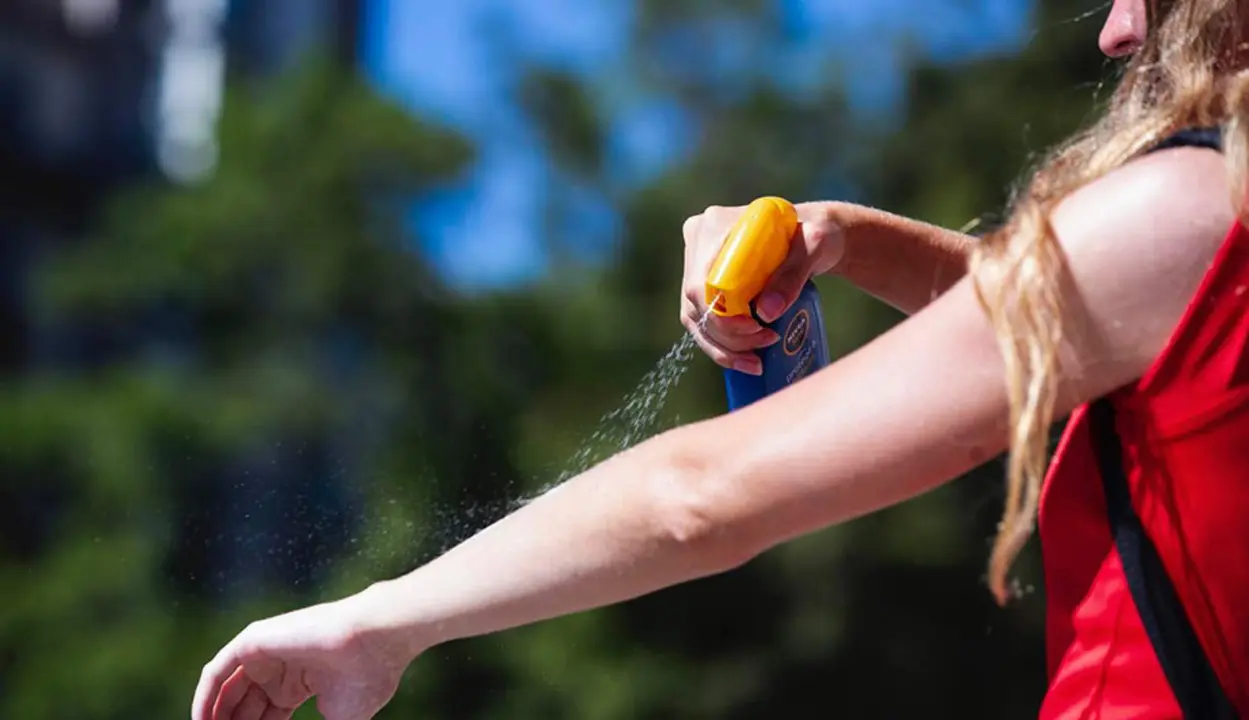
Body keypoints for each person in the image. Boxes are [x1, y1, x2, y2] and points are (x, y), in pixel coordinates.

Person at [192, 0, 1249, 717]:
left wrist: (377, 625)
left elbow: (700, 498)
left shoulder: (1192, 215)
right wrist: (843, 236)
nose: (1115, 32)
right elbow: (1111, 323)